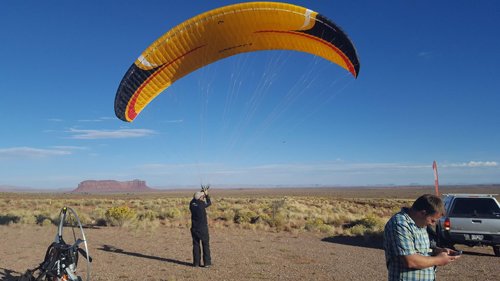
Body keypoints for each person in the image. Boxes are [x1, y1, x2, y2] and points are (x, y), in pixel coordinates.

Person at [383, 194, 460, 280]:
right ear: (422, 213)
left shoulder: (420, 223)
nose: (432, 224)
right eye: (432, 220)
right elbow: (410, 260)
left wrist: (439, 251)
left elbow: (422, 250)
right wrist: (439, 260)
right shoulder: (400, 224)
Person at [189, 189, 213, 268]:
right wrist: (206, 195)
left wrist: (202, 192)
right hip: (202, 228)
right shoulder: (201, 204)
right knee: (205, 245)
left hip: (194, 228)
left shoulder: (191, 203)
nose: (202, 197)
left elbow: (195, 198)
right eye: (202, 197)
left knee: (196, 245)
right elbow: (209, 203)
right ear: (200, 198)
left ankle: (196, 263)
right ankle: (207, 263)